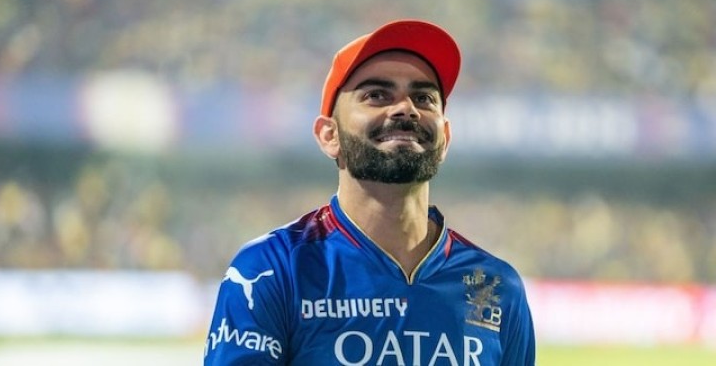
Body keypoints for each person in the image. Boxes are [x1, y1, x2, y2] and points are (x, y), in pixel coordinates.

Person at [204, 19, 536, 365]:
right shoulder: (275, 267)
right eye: (376, 95)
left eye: (424, 98)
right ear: (329, 135)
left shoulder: (496, 286)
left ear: (446, 138)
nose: (406, 108)